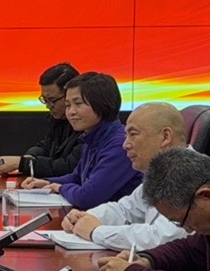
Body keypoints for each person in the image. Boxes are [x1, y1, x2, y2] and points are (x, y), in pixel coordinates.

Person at [59, 101, 188, 252]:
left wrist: (95, 232)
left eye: (133, 134)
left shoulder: (189, 178)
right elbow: (124, 210)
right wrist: (86, 217)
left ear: (165, 137)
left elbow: (161, 239)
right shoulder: (161, 172)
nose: (125, 144)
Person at [19, 71, 138, 208]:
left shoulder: (120, 144)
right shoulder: (91, 137)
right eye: (68, 105)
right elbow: (77, 177)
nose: (71, 112)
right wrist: (47, 182)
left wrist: (60, 188)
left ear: (102, 105)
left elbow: (88, 197)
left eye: (78, 104)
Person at [0, 62, 81, 179]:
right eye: (45, 100)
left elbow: (69, 167)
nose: (48, 106)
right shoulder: (58, 120)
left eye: (52, 100)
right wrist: (29, 157)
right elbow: (46, 147)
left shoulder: (86, 124)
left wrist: (23, 164)